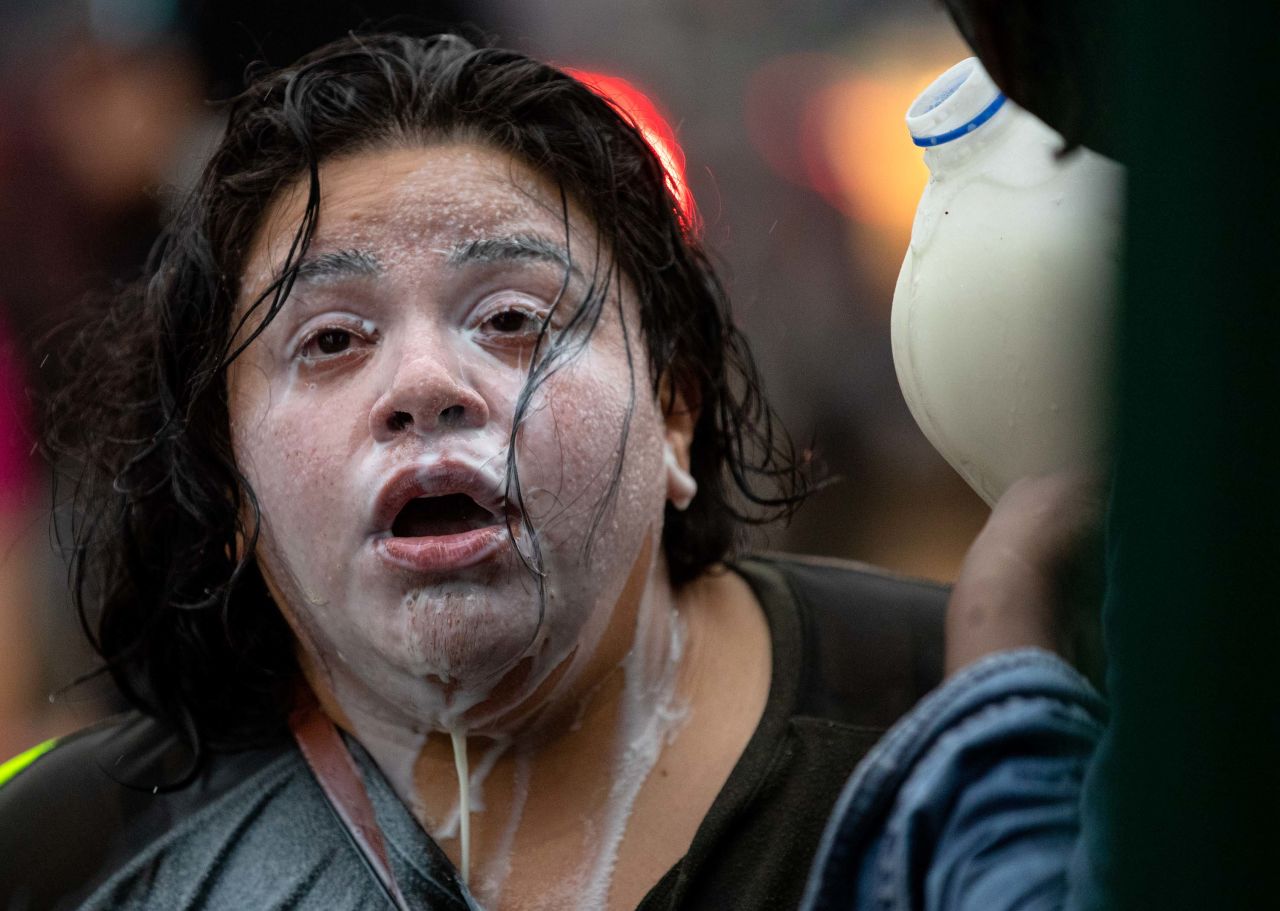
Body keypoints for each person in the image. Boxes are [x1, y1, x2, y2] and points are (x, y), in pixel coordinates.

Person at [0, 34, 950, 911]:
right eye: (332, 337)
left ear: (674, 409)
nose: (423, 385)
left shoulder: (968, 721)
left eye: (510, 319)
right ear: (227, 475)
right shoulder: (74, 863)